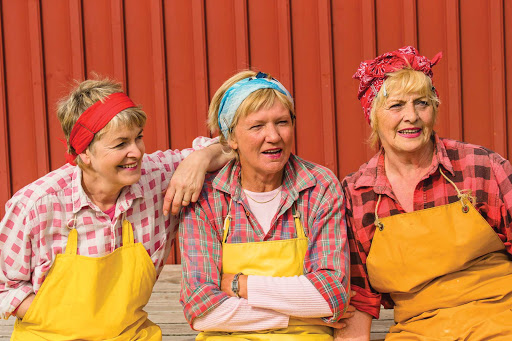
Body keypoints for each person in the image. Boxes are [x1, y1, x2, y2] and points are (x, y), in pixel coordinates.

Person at [0, 78, 230, 340]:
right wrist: (64, 318)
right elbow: (5, 287)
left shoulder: (157, 177)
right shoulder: (37, 205)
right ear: (84, 152)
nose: (136, 152)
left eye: (138, 138)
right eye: (121, 144)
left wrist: (199, 160)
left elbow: (233, 147)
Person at [337, 46, 512, 340]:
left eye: (422, 103)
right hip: (418, 331)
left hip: (500, 320)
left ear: (434, 109)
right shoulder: (357, 195)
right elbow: (360, 301)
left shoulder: (479, 166)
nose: (411, 117)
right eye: (396, 106)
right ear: (373, 116)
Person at [179, 70, 351, 340]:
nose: (273, 136)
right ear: (231, 137)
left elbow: (330, 296)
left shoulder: (318, 187)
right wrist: (294, 313)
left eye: (282, 122)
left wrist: (238, 284)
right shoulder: (207, 198)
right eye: (257, 126)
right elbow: (202, 311)